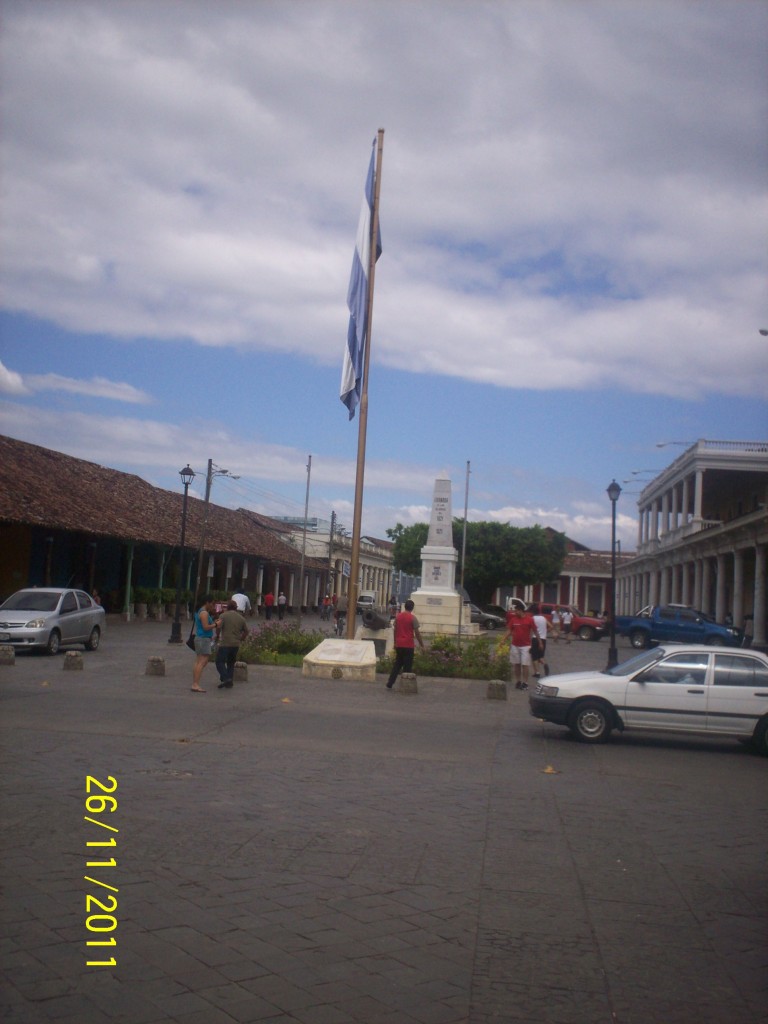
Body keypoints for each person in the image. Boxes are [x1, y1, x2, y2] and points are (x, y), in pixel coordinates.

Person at [387, 599, 425, 689]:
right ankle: (405, 684)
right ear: (412, 608)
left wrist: (395, 642)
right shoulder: (413, 618)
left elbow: (395, 630)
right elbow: (417, 633)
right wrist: (422, 645)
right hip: (408, 645)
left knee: (397, 664)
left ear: (405, 607)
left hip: (399, 644)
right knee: (407, 666)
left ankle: (390, 682)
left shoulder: (398, 617)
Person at [505, 604, 540, 691]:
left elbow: (535, 631)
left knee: (525, 664)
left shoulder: (529, 619)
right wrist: (503, 639)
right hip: (515, 645)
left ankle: (525, 682)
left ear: (521, 610)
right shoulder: (513, 620)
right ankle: (518, 681)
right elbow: (509, 630)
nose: (515, 612)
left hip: (526, 645)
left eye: (516, 611)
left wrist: (540, 642)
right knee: (516, 664)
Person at [216, 600, 249, 689]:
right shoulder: (241, 618)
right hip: (235, 644)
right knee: (231, 662)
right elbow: (246, 631)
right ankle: (229, 680)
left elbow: (218, 627)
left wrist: (217, 635)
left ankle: (226, 678)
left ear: (227, 607)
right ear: (236, 608)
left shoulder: (223, 616)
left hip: (225, 643)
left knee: (219, 661)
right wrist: (241, 638)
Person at [191, 594, 217, 692]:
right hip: (203, 638)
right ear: (207, 602)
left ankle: (195, 682)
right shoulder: (204, 613)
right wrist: (216, 624)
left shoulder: (199, 611)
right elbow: (206, 627)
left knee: (198, 661)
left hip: (200, 637)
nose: (212, 606)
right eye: (212, 603)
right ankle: (195, 684)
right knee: (202, 661)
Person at [530, 611, 549, 679]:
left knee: (534, 656)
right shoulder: (544, 618)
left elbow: (531, 629)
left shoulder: (532, 618)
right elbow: (551, 626)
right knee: (540, 656)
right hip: (543, 639)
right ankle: (545, 663)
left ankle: (537, 672)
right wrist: (545, 632)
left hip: (535, 638)